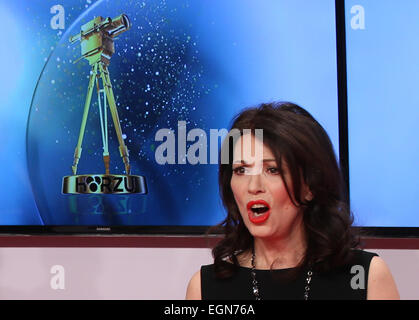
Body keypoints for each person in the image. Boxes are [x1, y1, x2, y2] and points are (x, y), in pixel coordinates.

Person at [185, 101, 399, 300]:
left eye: (272, 169)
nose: (253, 187)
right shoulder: (206, 287)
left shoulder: (363, 276)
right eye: (241, 170)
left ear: (310, 186)